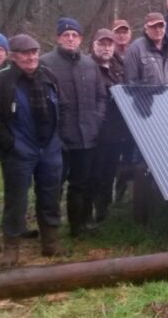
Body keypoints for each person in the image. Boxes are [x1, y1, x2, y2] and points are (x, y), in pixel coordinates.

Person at [0, 34, 65, 268]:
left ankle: (50, 241)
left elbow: (62, 107)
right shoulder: (1, 81)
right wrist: (10, 144)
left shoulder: (49, 76)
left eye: (34, 52)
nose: (31, 57)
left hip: (49, 146)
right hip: (20, 147)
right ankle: (11, 247)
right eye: (25, 53)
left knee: (50, 195)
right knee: (16, 199)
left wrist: (57, 138)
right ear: (13, 56)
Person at [40, 17, 106, 237]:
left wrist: (96, 121)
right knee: (53, 186)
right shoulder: (45, 63)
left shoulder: (89, 64)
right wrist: (53, 132)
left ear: (80, 39)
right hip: (57, 139)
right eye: (66, 35)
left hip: (86, 136)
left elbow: (101, 97)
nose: (70, 38)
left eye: (74, 35)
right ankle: (50, 229)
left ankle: (77, 227)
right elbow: (40, 101)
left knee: (80, 184)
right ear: (58, 38)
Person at [90, 29, 128, 223]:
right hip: (97, 132)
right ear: (94, 45)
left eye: (109, 44)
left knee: (109, 172)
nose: (106, 48)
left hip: (117, 131)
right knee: (94, 173)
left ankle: (103, 211)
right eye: (102, 44)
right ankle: (90, 211)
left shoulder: (120, 66)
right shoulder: (87, 67)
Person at [125, 12, 168, 85]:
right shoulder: (135, 49)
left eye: (161, 26)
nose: (158, 30)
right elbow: (131, 82)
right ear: (146, 29)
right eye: (154, 27)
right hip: (147, 96)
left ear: (165, 28)